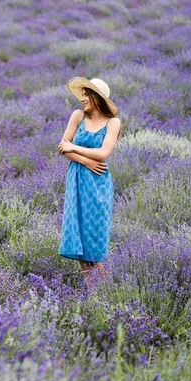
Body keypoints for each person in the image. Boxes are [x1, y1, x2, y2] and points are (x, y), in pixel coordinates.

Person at [57, 77, 121, 290]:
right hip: (77, 179)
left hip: (97, 184)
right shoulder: (77, 115)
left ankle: (108, 292)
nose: (82, 98)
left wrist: (73, 148)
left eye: (86, 94)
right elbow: (62, 148)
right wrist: (85, 160)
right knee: (81, 244)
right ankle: (94, 293)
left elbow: (103, 153)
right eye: (82, 94)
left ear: (97, 97)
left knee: (95, 243)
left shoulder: (113, 122)